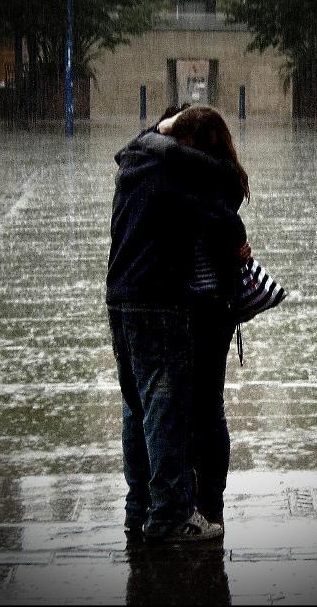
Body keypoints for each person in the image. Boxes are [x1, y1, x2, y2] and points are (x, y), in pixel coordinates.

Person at [106, 105, 249, 542]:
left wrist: (159, 131)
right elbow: (227, 219)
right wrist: (238, 239)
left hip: (123, 297)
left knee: (141, 409)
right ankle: (175, 511)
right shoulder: (182, 174)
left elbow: (133, 148)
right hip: (172, 303)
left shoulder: (139, 164)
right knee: (176, 412)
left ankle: (142, 507)